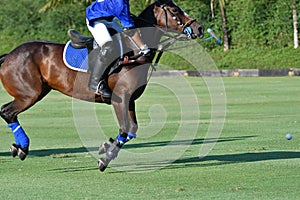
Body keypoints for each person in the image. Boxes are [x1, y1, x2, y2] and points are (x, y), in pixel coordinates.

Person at [86, 0, 150, 98]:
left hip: (109, 20)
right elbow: (130, 31)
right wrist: (143, 47)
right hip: (95, 19)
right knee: (108, 47)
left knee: (125, 40)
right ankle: (95, 84)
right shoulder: (120, 3)